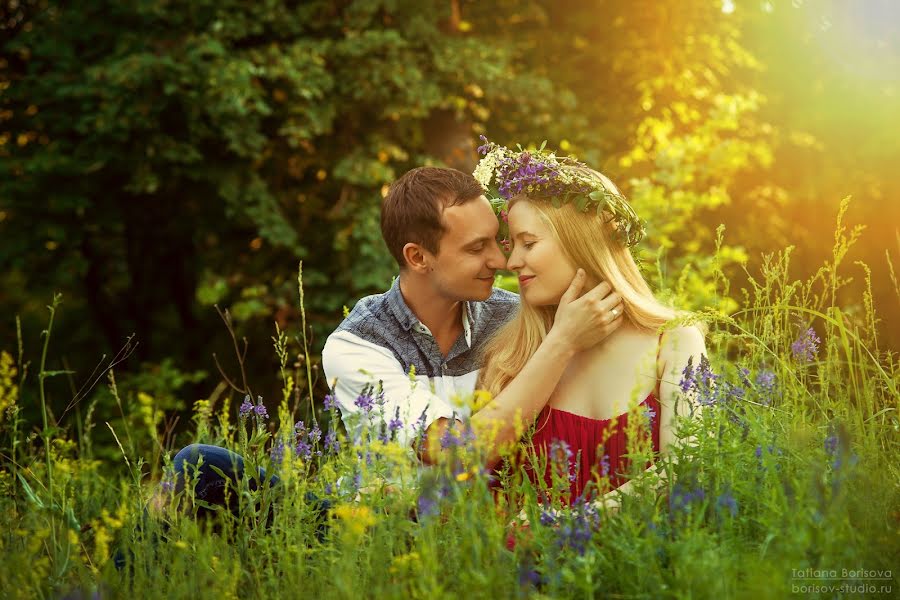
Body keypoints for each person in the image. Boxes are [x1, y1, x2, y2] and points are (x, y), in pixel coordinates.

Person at [322, 166, 623, 466]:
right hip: (400, 514)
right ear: (418, 257)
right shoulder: (358, 346)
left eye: (496, 240)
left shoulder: (516, 317)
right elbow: (459, 453)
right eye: (477, 247)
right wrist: (562, 342)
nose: (500, 260)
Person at [472, 138, 707, 507]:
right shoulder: (511, 353)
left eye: (528, 243)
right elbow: (472, 473)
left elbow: (687, 469)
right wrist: (561, 340)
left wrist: (570, 525)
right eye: (512, 244)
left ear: (579, 242)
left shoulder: (675, 341)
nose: (512, 261)